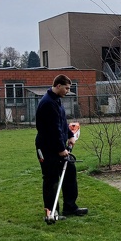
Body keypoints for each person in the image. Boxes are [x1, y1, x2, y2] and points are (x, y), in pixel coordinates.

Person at [35, 74, 88, 223]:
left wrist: (70, 134)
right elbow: (53, 130)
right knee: (51, 179)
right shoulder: (48, 104)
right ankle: (52, 212)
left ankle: (70, 206)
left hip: (58, 145)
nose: (67, 91)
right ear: (58, 85)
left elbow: (62, 122)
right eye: (66, 88)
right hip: (47, 147)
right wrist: (60, 149)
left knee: (70, 172)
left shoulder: (56, 101)